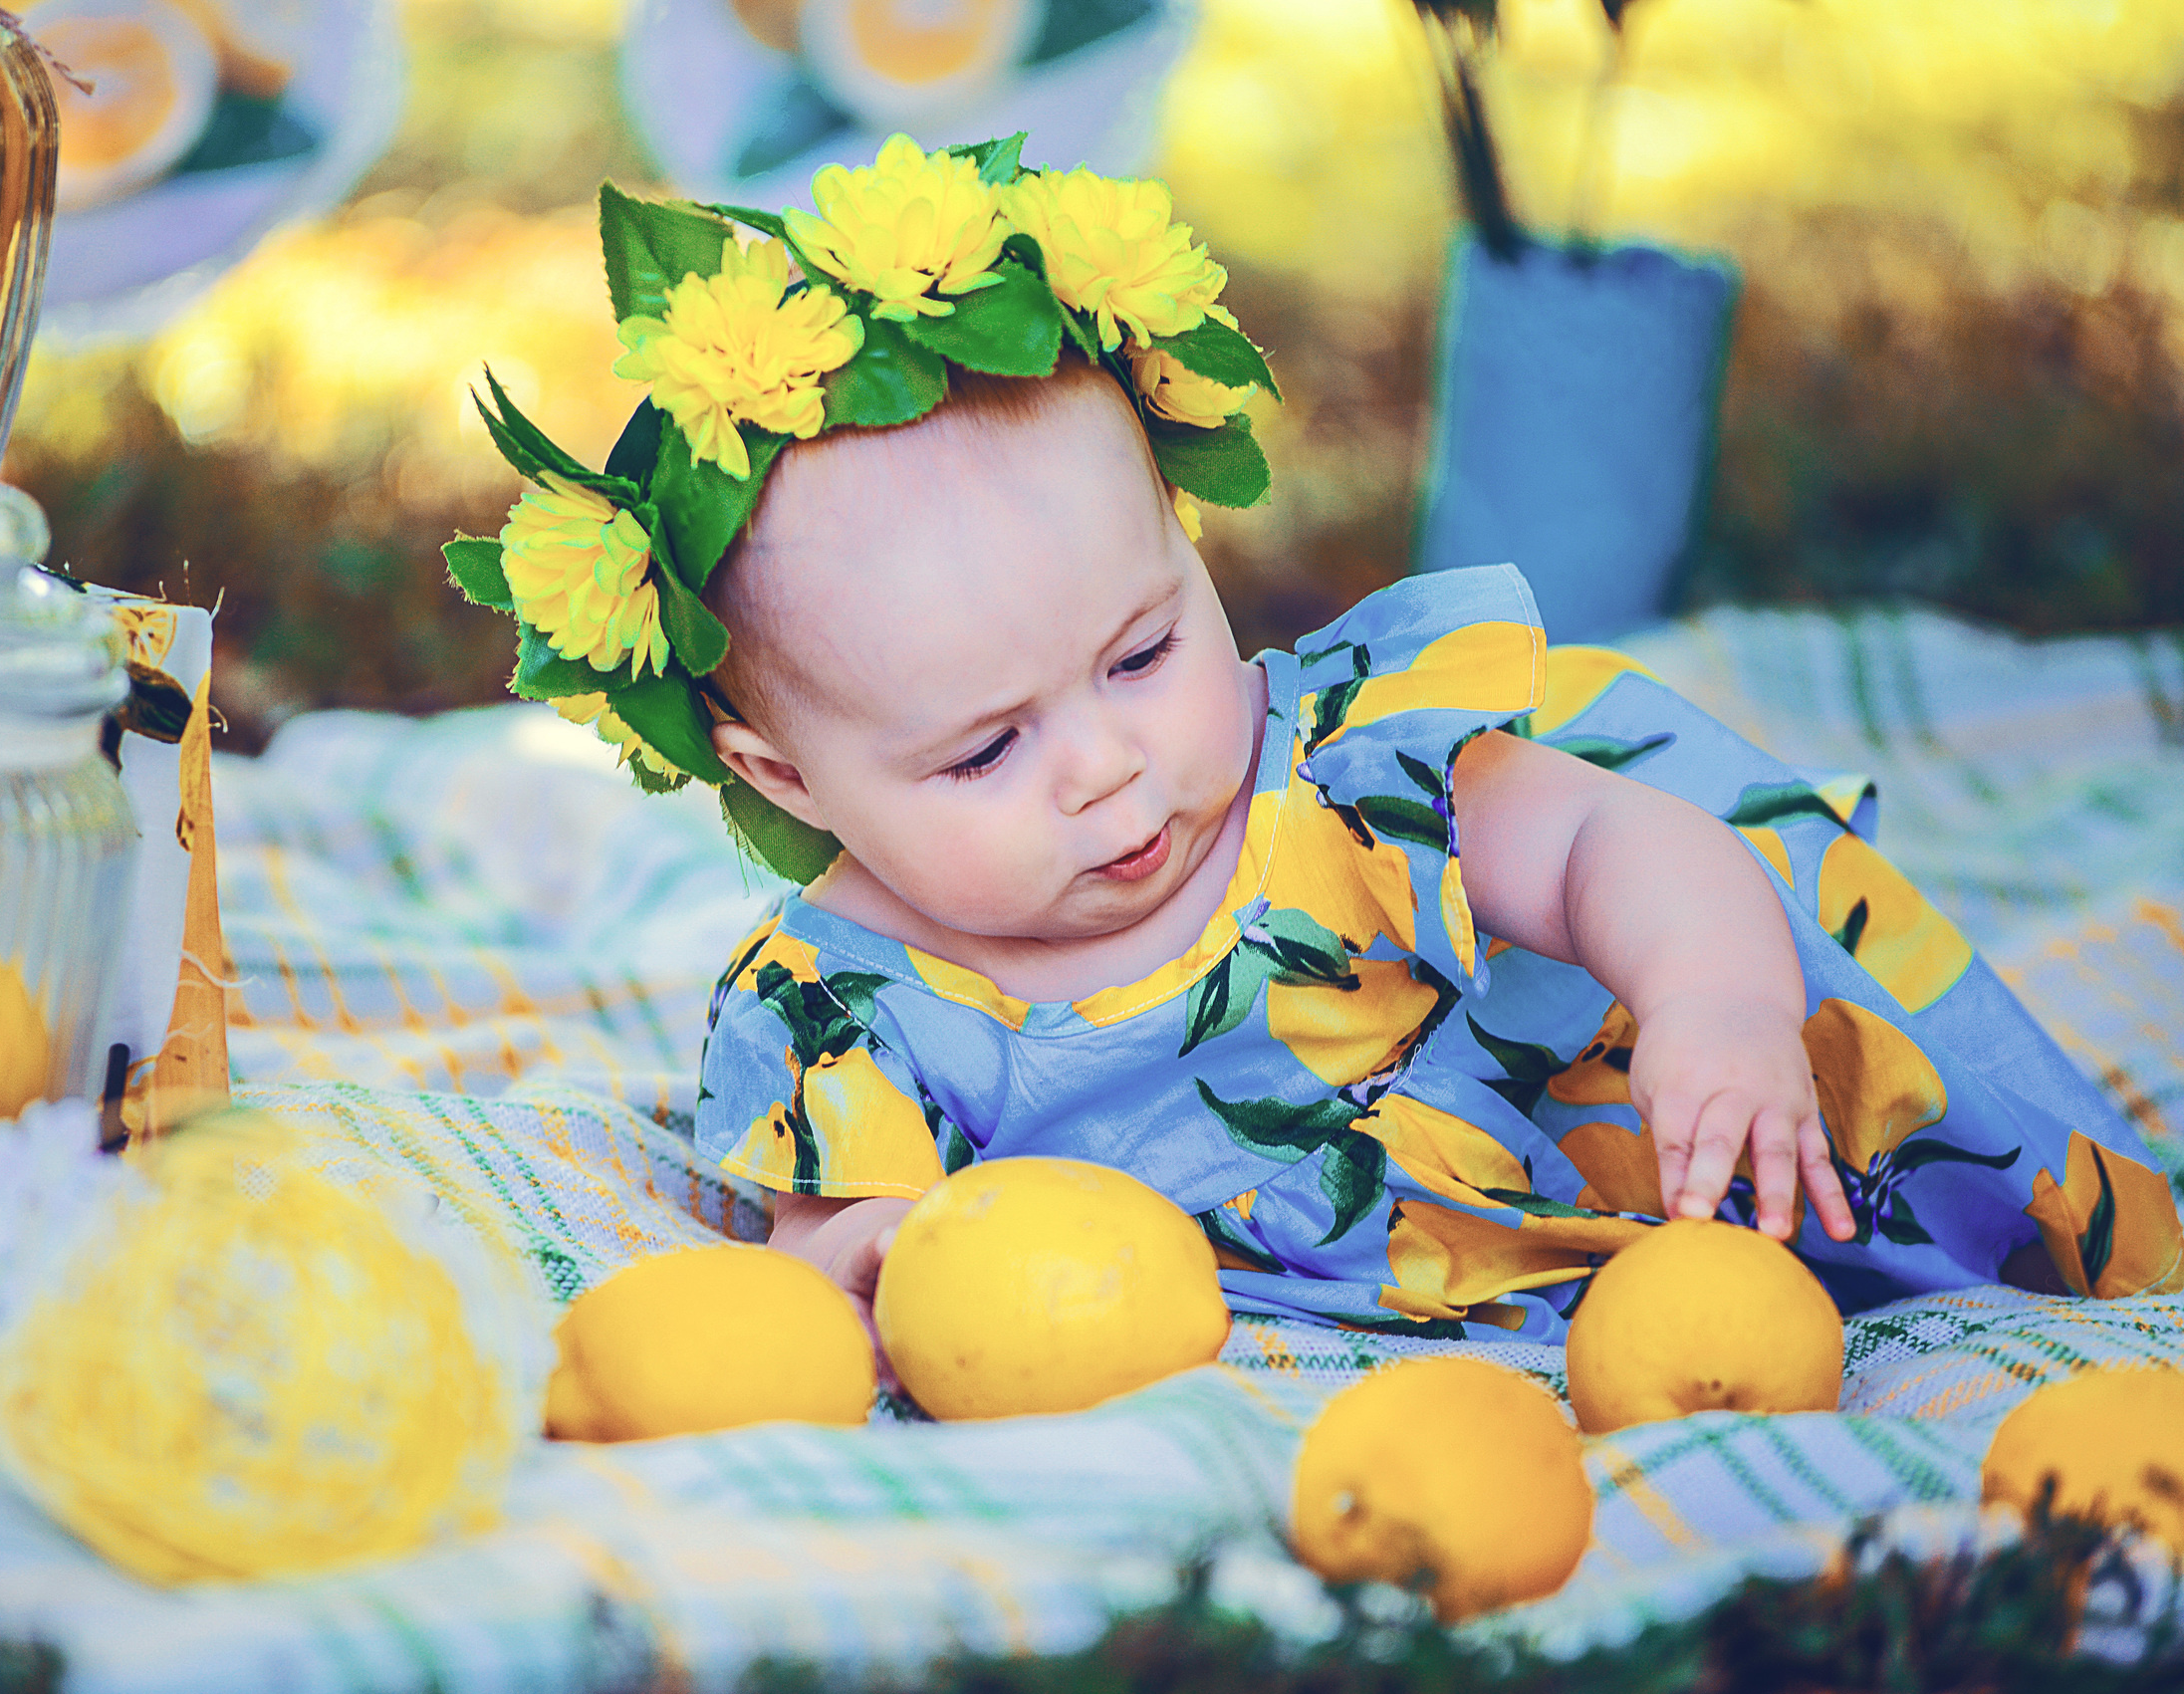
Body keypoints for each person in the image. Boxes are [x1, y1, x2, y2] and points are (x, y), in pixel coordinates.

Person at [453, 135, 2183, 1349]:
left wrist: (1716, 1006)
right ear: (782, 779)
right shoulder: (843, 1005)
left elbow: (1617, 843)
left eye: (1142, 652)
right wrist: (868, 1258)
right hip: (1462, 1339)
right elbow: (828, 1235)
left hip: (1676, 1166)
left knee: (1940, 1197)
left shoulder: (1350, 780)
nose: (1105, 766)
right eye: (983, 753)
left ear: (1188, 553)